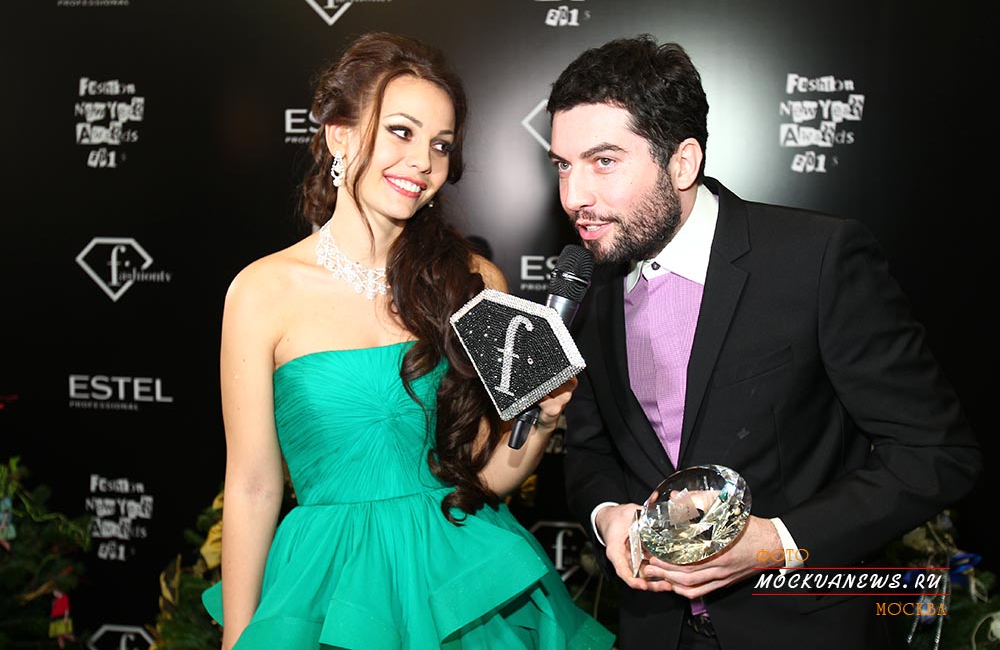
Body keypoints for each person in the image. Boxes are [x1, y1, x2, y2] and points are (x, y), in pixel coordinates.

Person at [546, 35, 981, 650]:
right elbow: (590, 451)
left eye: (604, 162)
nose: (574, 197)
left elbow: (936, 453)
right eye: (563, 165)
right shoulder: (590, 288)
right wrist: (608, 516)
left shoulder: (816, 260)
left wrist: (777, 541)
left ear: (682, 162)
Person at [201, 32, 614, 650]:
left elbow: (488, 480)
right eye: (401, 132)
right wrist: (238, 638)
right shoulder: (260, 292)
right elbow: (253, 486)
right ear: (339, 135)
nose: (422, 161)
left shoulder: (475, 282)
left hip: (461, 594)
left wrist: (544, 419)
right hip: (327, 590)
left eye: (440, 145)